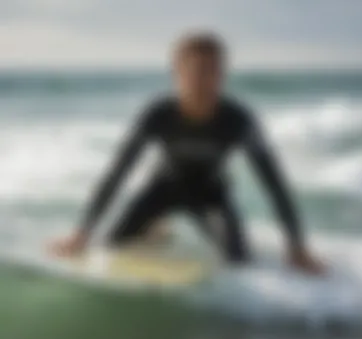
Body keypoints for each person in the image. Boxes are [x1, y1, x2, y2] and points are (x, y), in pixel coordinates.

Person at [50, 32, 325, 274]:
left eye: (212, 71)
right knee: (112, 248)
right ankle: (155, 226)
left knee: (240, 264)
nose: (203, 80)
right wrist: (82, 233)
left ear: (222, 74)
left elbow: (273, 182)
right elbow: (118, 171)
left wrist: (296, 247)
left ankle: (171, 227)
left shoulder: (238, 120)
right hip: (163, 187)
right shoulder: (158, 115)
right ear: (177, 73)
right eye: (196, 70)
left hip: (211, 195)